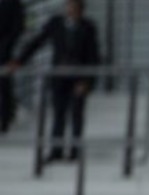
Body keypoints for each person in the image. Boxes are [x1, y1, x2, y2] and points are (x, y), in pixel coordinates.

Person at [7, 0, 99, 161]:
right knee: (59, 115)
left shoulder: (88, 27)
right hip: (59, 77)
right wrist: (20, 60)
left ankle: (74, 151)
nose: (71, 10)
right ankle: (56, 150)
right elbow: (37, 42)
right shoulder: (56, 24)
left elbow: (93, 56)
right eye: (69, 6)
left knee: (76, 115)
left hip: (78, 77)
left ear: (81, 9)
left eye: (74, 7)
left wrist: (87, 81)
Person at [0, 0, 24, 134]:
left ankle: (5, 120)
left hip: (4, 53)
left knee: (4, 86)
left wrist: (6, 47)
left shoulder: (14, 3)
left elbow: (18, 28)